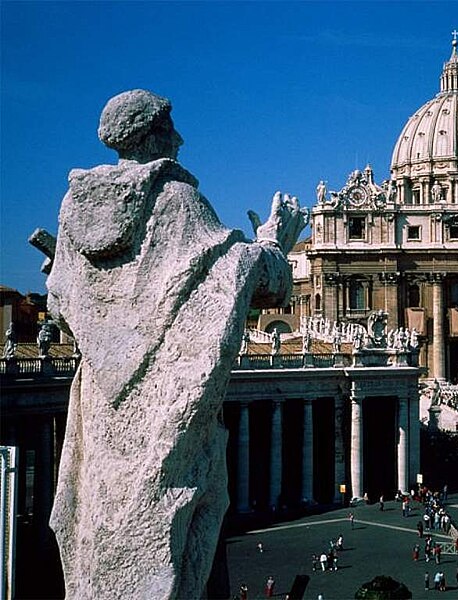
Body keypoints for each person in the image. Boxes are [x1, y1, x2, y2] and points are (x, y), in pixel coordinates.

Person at [41, 89, 307, 599]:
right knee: (172, 530)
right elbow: (244, 272)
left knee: (102, 525)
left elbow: (60, 305)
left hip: (105, 405)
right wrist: (276, 240)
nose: (181, 139)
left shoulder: (72, 210)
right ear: (155, 134)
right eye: (172, 128)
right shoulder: (175, 201)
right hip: (162, 409)